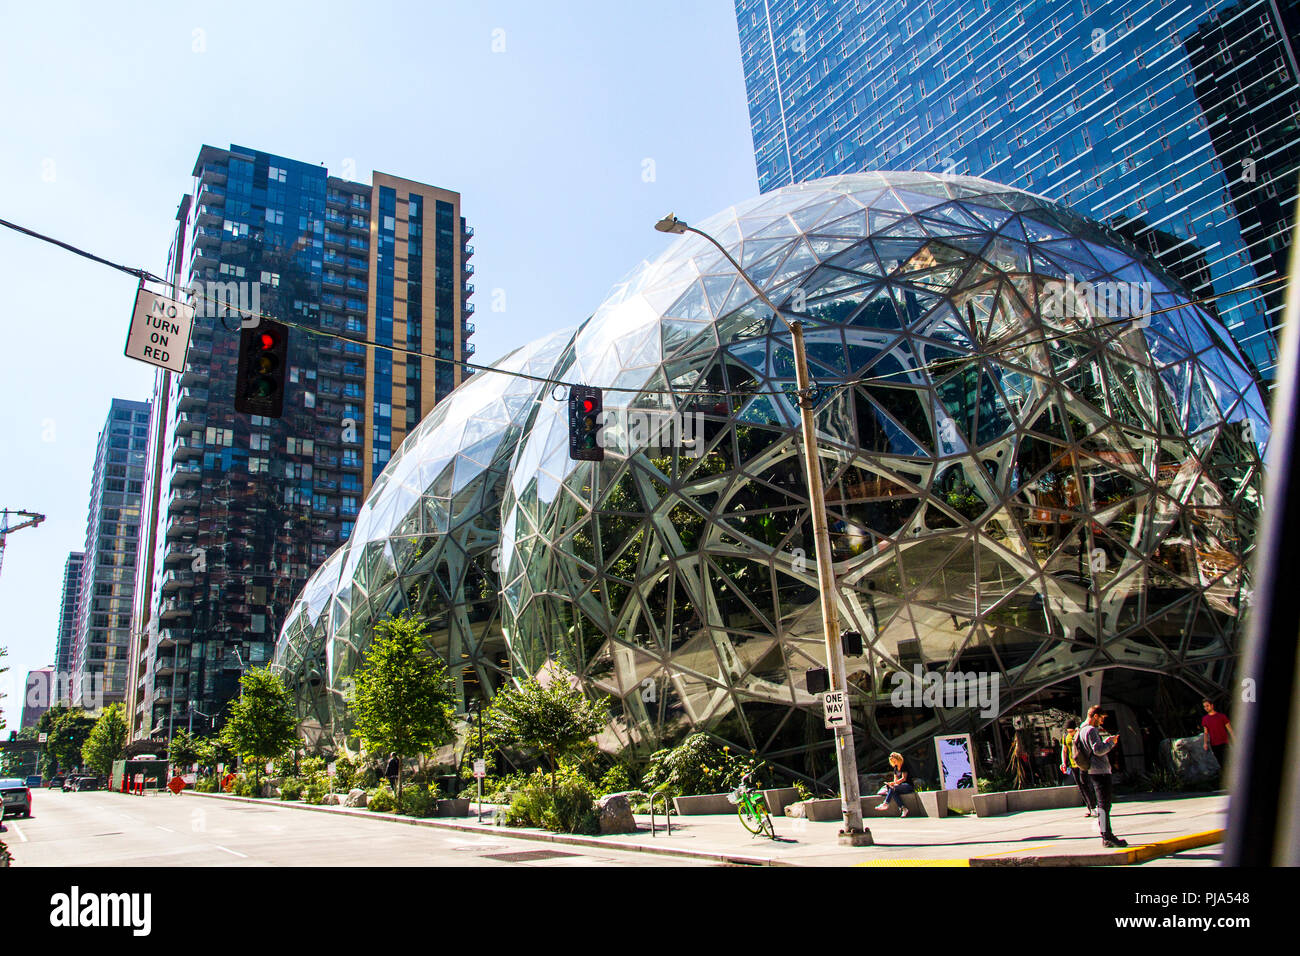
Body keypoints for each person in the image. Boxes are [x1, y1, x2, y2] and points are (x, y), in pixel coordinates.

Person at [1078, 705, 1126, 848]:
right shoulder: (1091, 730)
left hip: (1093, 770)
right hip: (1100, 771)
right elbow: (1098, 750)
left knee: (1103, 805)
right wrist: (1111, 743)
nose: (1102, 722)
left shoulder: (1082, 729)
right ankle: (1107, 836)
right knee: (1104, 805)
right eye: (1102, 718)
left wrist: (1105, 742)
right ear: (1095, 716)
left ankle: (1107, 835)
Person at [1060, 718, 1097, 817]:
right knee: (1080, 786)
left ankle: (1093, 806)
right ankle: (1090, 807)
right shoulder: (1065, 737)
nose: (1070, 733)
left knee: (1085, 784)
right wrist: (1064, 762)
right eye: (1068, 731)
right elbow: (1064, 750)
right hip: (1073, 764)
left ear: (1075, 729)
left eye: (1071, 731)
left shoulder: (1079, 734)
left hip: (1082, 763)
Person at [875, 752, 916, 817]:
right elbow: (895, 780)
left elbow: (904, 779)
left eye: (895, 761)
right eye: (893, 761)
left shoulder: (904, 765)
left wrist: (894, 784)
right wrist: (892, 783)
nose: (894, 763)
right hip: (900, 787)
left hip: (908, 786)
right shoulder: (895, 768)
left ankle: (886, 803)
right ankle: (903, 808)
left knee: (892, 788)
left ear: (898, 759)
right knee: (892, 789)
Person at [1200, 699, 1233, 776]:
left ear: (1212, 705)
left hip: (1224, 742)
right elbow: (1205, 732)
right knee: (1221, 762)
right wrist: (1205, 743)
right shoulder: (1205, 719)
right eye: (1204, 707)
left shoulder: (1221, 716)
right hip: (1214, 744)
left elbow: (1230, 730)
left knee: (1228, 760)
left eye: (1207, 706)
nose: (1206, 708)